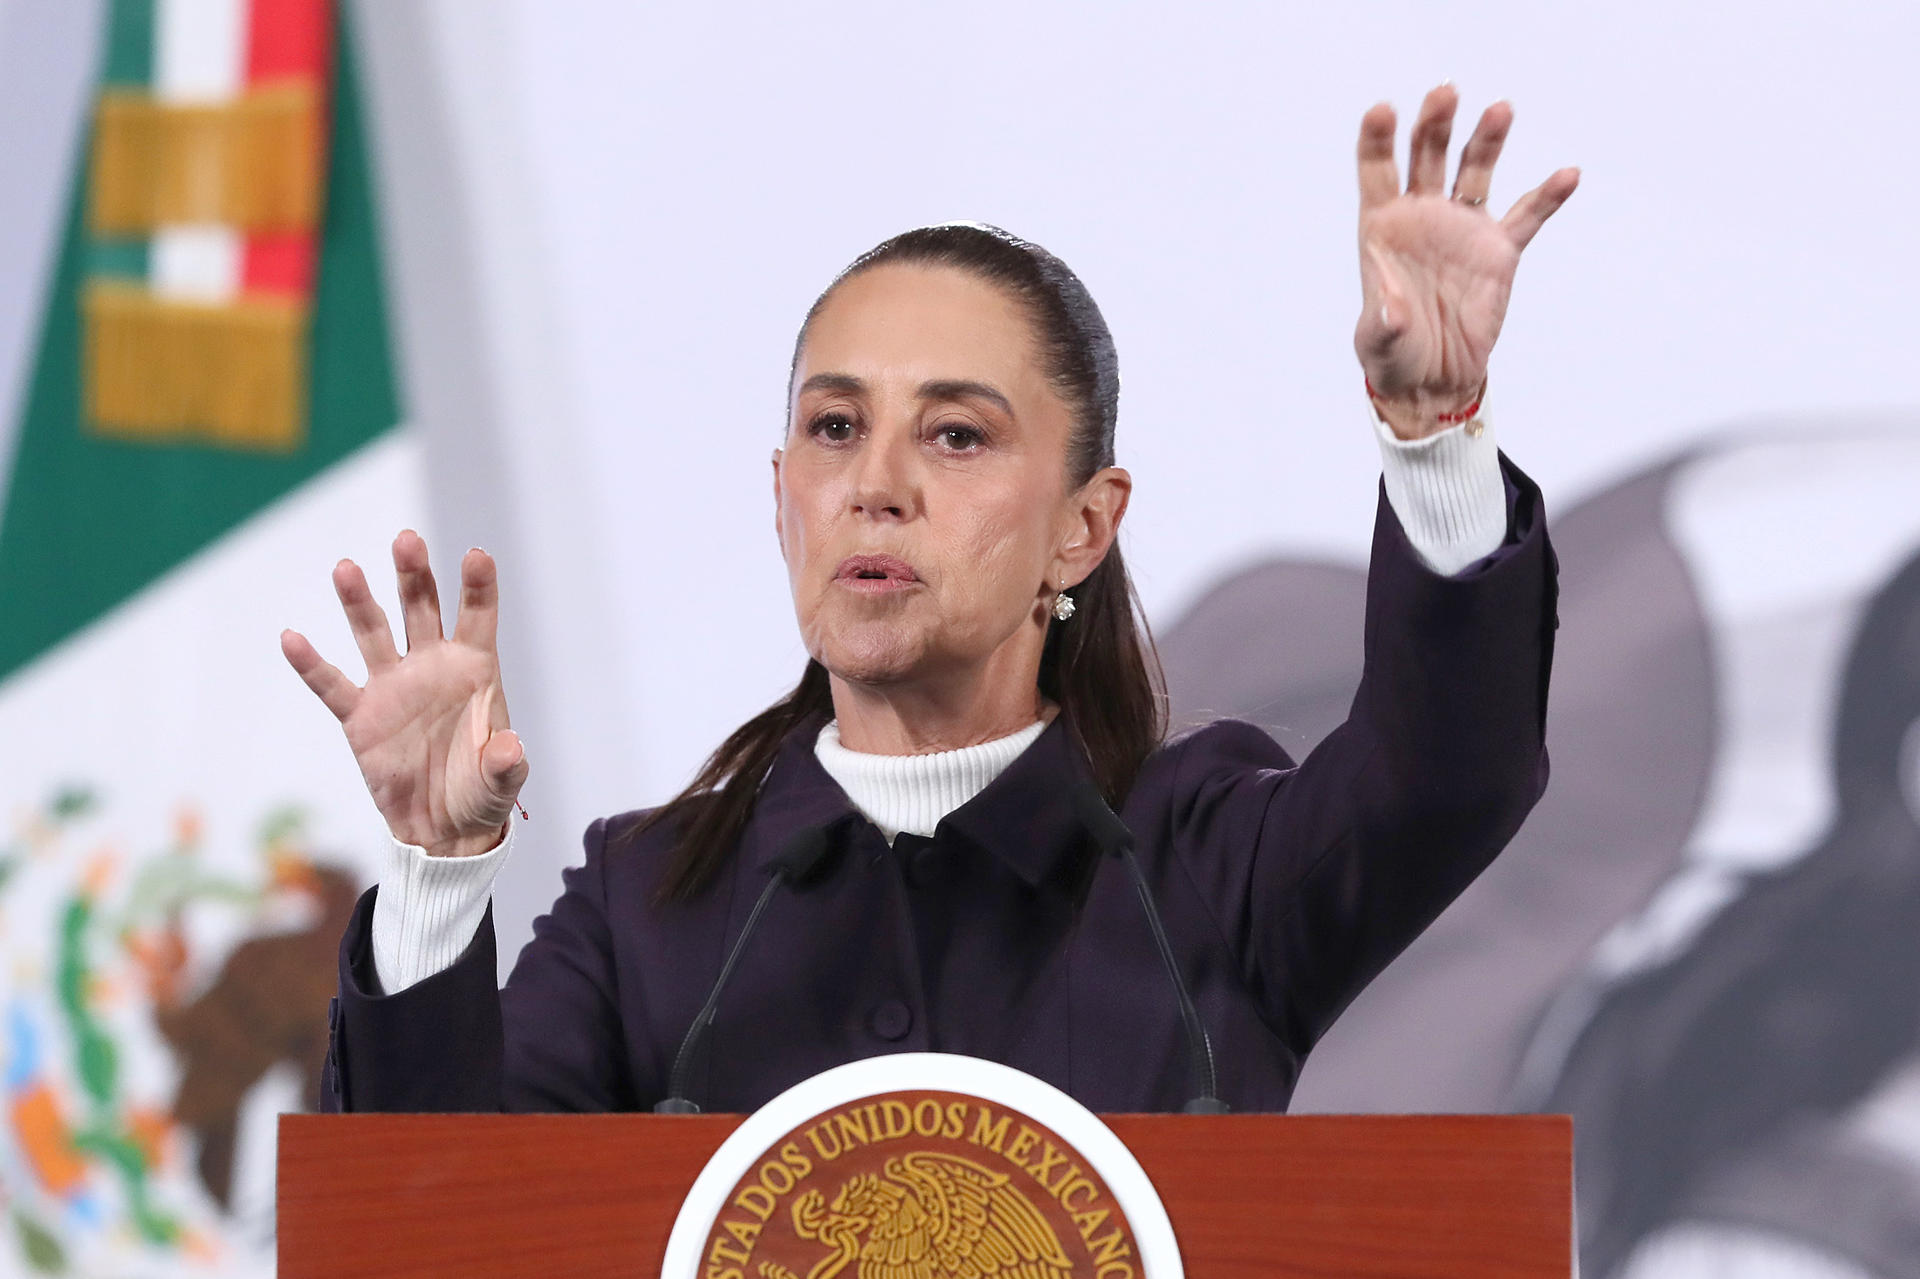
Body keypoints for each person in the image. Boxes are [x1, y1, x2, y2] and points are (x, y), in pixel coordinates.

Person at [282, 85, 1577, 1114]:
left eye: (957, 435)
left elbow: (1448, 777)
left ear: (1084, 527)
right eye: (835, 427)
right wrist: (435, 878)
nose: (876, 487)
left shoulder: (1204, 857)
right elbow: (433, 1229)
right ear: (781, 497)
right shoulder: (652, 898)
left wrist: (1434, 436)